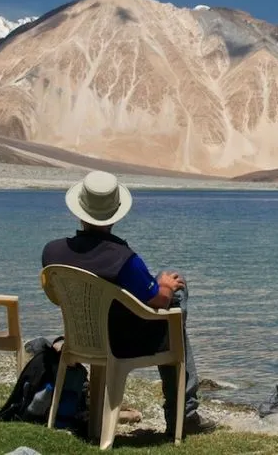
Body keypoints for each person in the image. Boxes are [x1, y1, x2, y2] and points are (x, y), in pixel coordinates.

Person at [41, 170, 216, 436]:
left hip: (81, 337)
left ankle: (184, 407)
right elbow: (159, 299)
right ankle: (184, 412)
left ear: (79, 210)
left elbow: (55, 295)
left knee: (165, 296)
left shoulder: (52, 252)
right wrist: (166, 287)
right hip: (123, 343)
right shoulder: (123, 259)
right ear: (116, 213)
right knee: (176, 297)